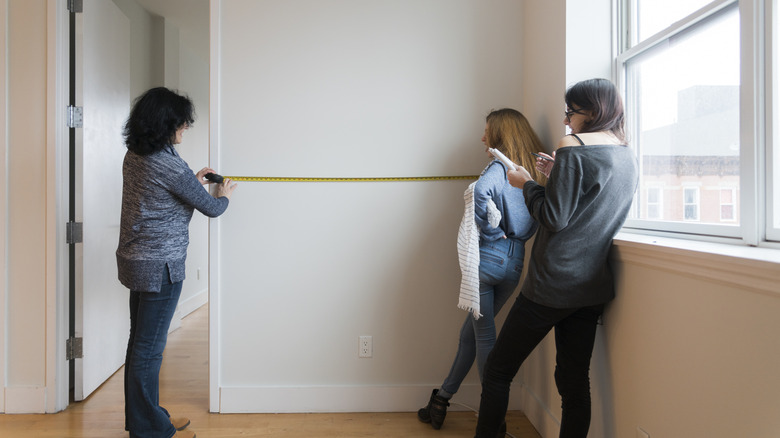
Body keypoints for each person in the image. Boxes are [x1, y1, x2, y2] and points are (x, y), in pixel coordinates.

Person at [473, 79, 638, 438]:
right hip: (591, 286)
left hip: (551, 285)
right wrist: (554, 175)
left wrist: (525, 183)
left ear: (592, 111)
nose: (566, 122)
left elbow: (553, 217)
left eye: (571, 112)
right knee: (574, 381)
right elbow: (587, 207)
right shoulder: (626, 153)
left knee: (499, 370)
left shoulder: (573, 146)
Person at [116, 87, 237, 438]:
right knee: (149, 352)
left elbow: (163, 192)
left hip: (136, 261)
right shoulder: (168, 164)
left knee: (139, 344)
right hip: (160, 266)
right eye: (182, 123)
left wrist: (192, 182)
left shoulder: (136, 154)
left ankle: (147, 419)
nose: (186, 128)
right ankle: (151, 429)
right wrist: (223, 194)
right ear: (166, 123)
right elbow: (212, 208)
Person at [418, 109, 545, 431]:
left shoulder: (498, 167)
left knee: (485, 339)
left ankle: (493, 424)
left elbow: (480, 192)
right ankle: (441, 401)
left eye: (487, 131)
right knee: (469, 336)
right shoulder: (533, 175)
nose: (482, 137)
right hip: (515, 263)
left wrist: (490, 234)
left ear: (500, 135)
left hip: (488, 261)